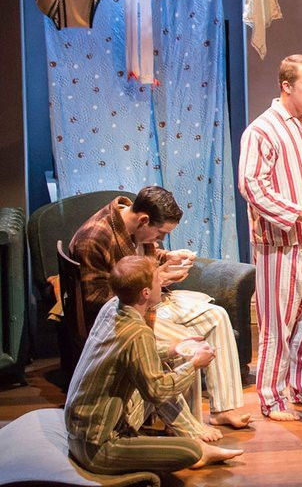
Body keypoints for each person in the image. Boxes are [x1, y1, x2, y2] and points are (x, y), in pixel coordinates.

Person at [71, 186, 250, 434]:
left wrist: (167, 258)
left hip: (151, 299)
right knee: (187, 343)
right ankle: (190, 430)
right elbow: (96, 300)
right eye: (161, 233)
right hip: (123, 313)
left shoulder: (134, 226)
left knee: (217, 316)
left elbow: (141, 257)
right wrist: (156, 281)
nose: (161, 239)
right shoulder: (95, 238)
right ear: (144, 220)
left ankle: (224, 409)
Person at [65, 256, 243, 474]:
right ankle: (197, 446)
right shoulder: (137, 332)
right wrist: (194, 365)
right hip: (98, 447)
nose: (163, 285)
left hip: (79, 433)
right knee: (189, 451)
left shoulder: (111, 309)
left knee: (158, 371)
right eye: (158, 280)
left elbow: (132, 356)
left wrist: (174, 348)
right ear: (145, 293)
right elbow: (157, 391)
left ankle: (193, 436)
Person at [239, 54, 302, 420]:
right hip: (280, 244)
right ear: (286, 86)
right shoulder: (262, 130)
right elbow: (252, 185)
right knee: (277, 326)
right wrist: (296, 212)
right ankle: (271, 398)